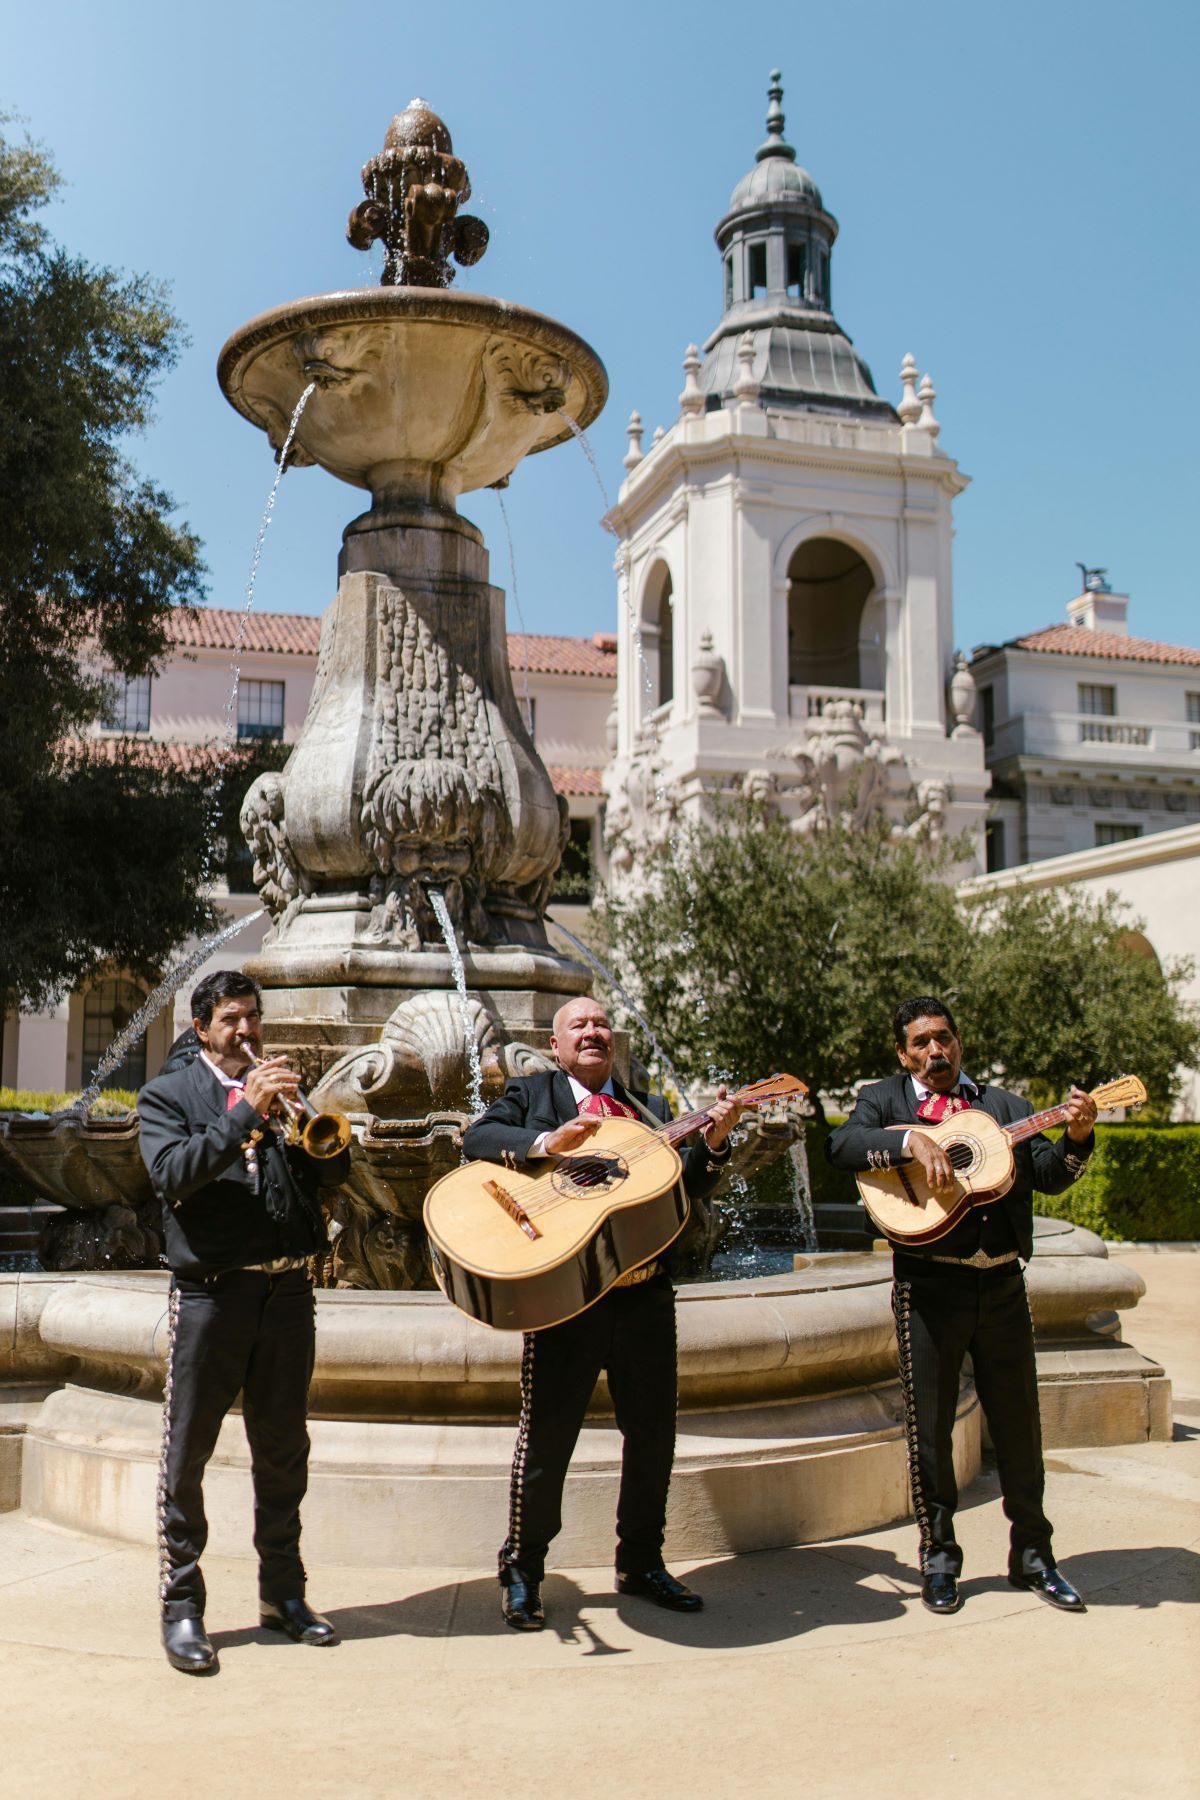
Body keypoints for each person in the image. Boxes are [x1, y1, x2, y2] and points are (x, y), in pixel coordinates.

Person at [461, 996, 743, 1631]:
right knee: (548, 1439)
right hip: (566, 1298)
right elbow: (477, 1138)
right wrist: (545, 1142)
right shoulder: (534, 1095)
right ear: (556, 1047)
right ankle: (524, 1569)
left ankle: (640, 1561)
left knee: (653, 1437)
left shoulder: (649, 1110)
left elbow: (687, 1185)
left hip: (644, 1297)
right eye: (577, 1025)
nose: (592, 1032)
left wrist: (716, 1142)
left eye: (599, 1023)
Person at [827, 996, 1096, 1617]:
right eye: (920, 1043)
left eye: (942, 1038)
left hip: (1001, 1285)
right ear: (903, 1053)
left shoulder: (1007, 1109)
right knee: (931, 1431)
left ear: (960, 1041)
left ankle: (1034, 1557)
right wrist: (910, 1142)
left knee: (1020, 1427)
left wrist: (1078, 1137)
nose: (934, 1051)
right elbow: (842, 1146)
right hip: (929, 1289)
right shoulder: (885, 1100)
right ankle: (940, 1560)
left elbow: (1050, 1174)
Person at [138, 970, 350, 1674]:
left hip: (287, 1294)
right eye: (232, 1019)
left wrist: (323, 1139)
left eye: (253, 1018)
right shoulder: (168, 1095)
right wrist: (243, 1117)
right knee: (187, 1454)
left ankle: (283, 1596)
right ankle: (182, 1607)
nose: (248, 1031)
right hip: (211, 1296)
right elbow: (173, 1173)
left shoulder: (286, 1094)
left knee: (285, 1450)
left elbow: (328, 1175)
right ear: (201, 1028)